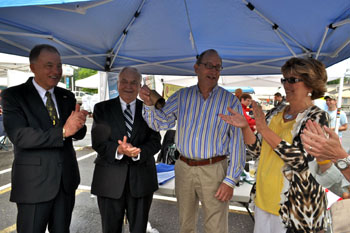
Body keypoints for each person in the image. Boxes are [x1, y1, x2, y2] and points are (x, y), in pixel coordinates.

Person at [220, 57, 332, 232]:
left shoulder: (318, 117)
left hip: (297, 207)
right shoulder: (276, 112)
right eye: (284, 79)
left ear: (310, 85)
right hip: (264, 198)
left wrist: (264, 130)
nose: (286, 84)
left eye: (293, 80)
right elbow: (258, 151)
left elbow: (301, 160)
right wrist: (245, 128)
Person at [140, 49, 245, 233]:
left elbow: (238, 143)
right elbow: (161, 123)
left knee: (216, 227)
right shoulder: (182, 96)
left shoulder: (230, 102)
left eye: (218, 67)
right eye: (209, 66)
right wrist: (149, 105)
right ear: (196, 68)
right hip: (184, 167)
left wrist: (230, 180)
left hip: (215, 169)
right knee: (185, 224)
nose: (214, 71)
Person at [1, 44, 88, 233]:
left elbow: (76, 133)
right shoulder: (14, 96)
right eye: (49, 65)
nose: (56, 71)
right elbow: (20, 136)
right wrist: (64, 132)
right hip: (34, 185)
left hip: (65, 182)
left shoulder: (66, 95)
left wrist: (79, 124)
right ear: (33, 67)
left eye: (59, 65)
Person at [90, 67, 161, 233]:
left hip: (142, 180)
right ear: (118, 83)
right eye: (124, 82)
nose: (128, 86)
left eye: (134, 83)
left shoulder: (149, 109)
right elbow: (98, 142)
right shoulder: (102, 108)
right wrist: (119, 150)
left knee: (138, 229)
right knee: (110, 229)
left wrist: (137, 152)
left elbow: (156, 141)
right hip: (109, 181)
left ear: (140, 86)